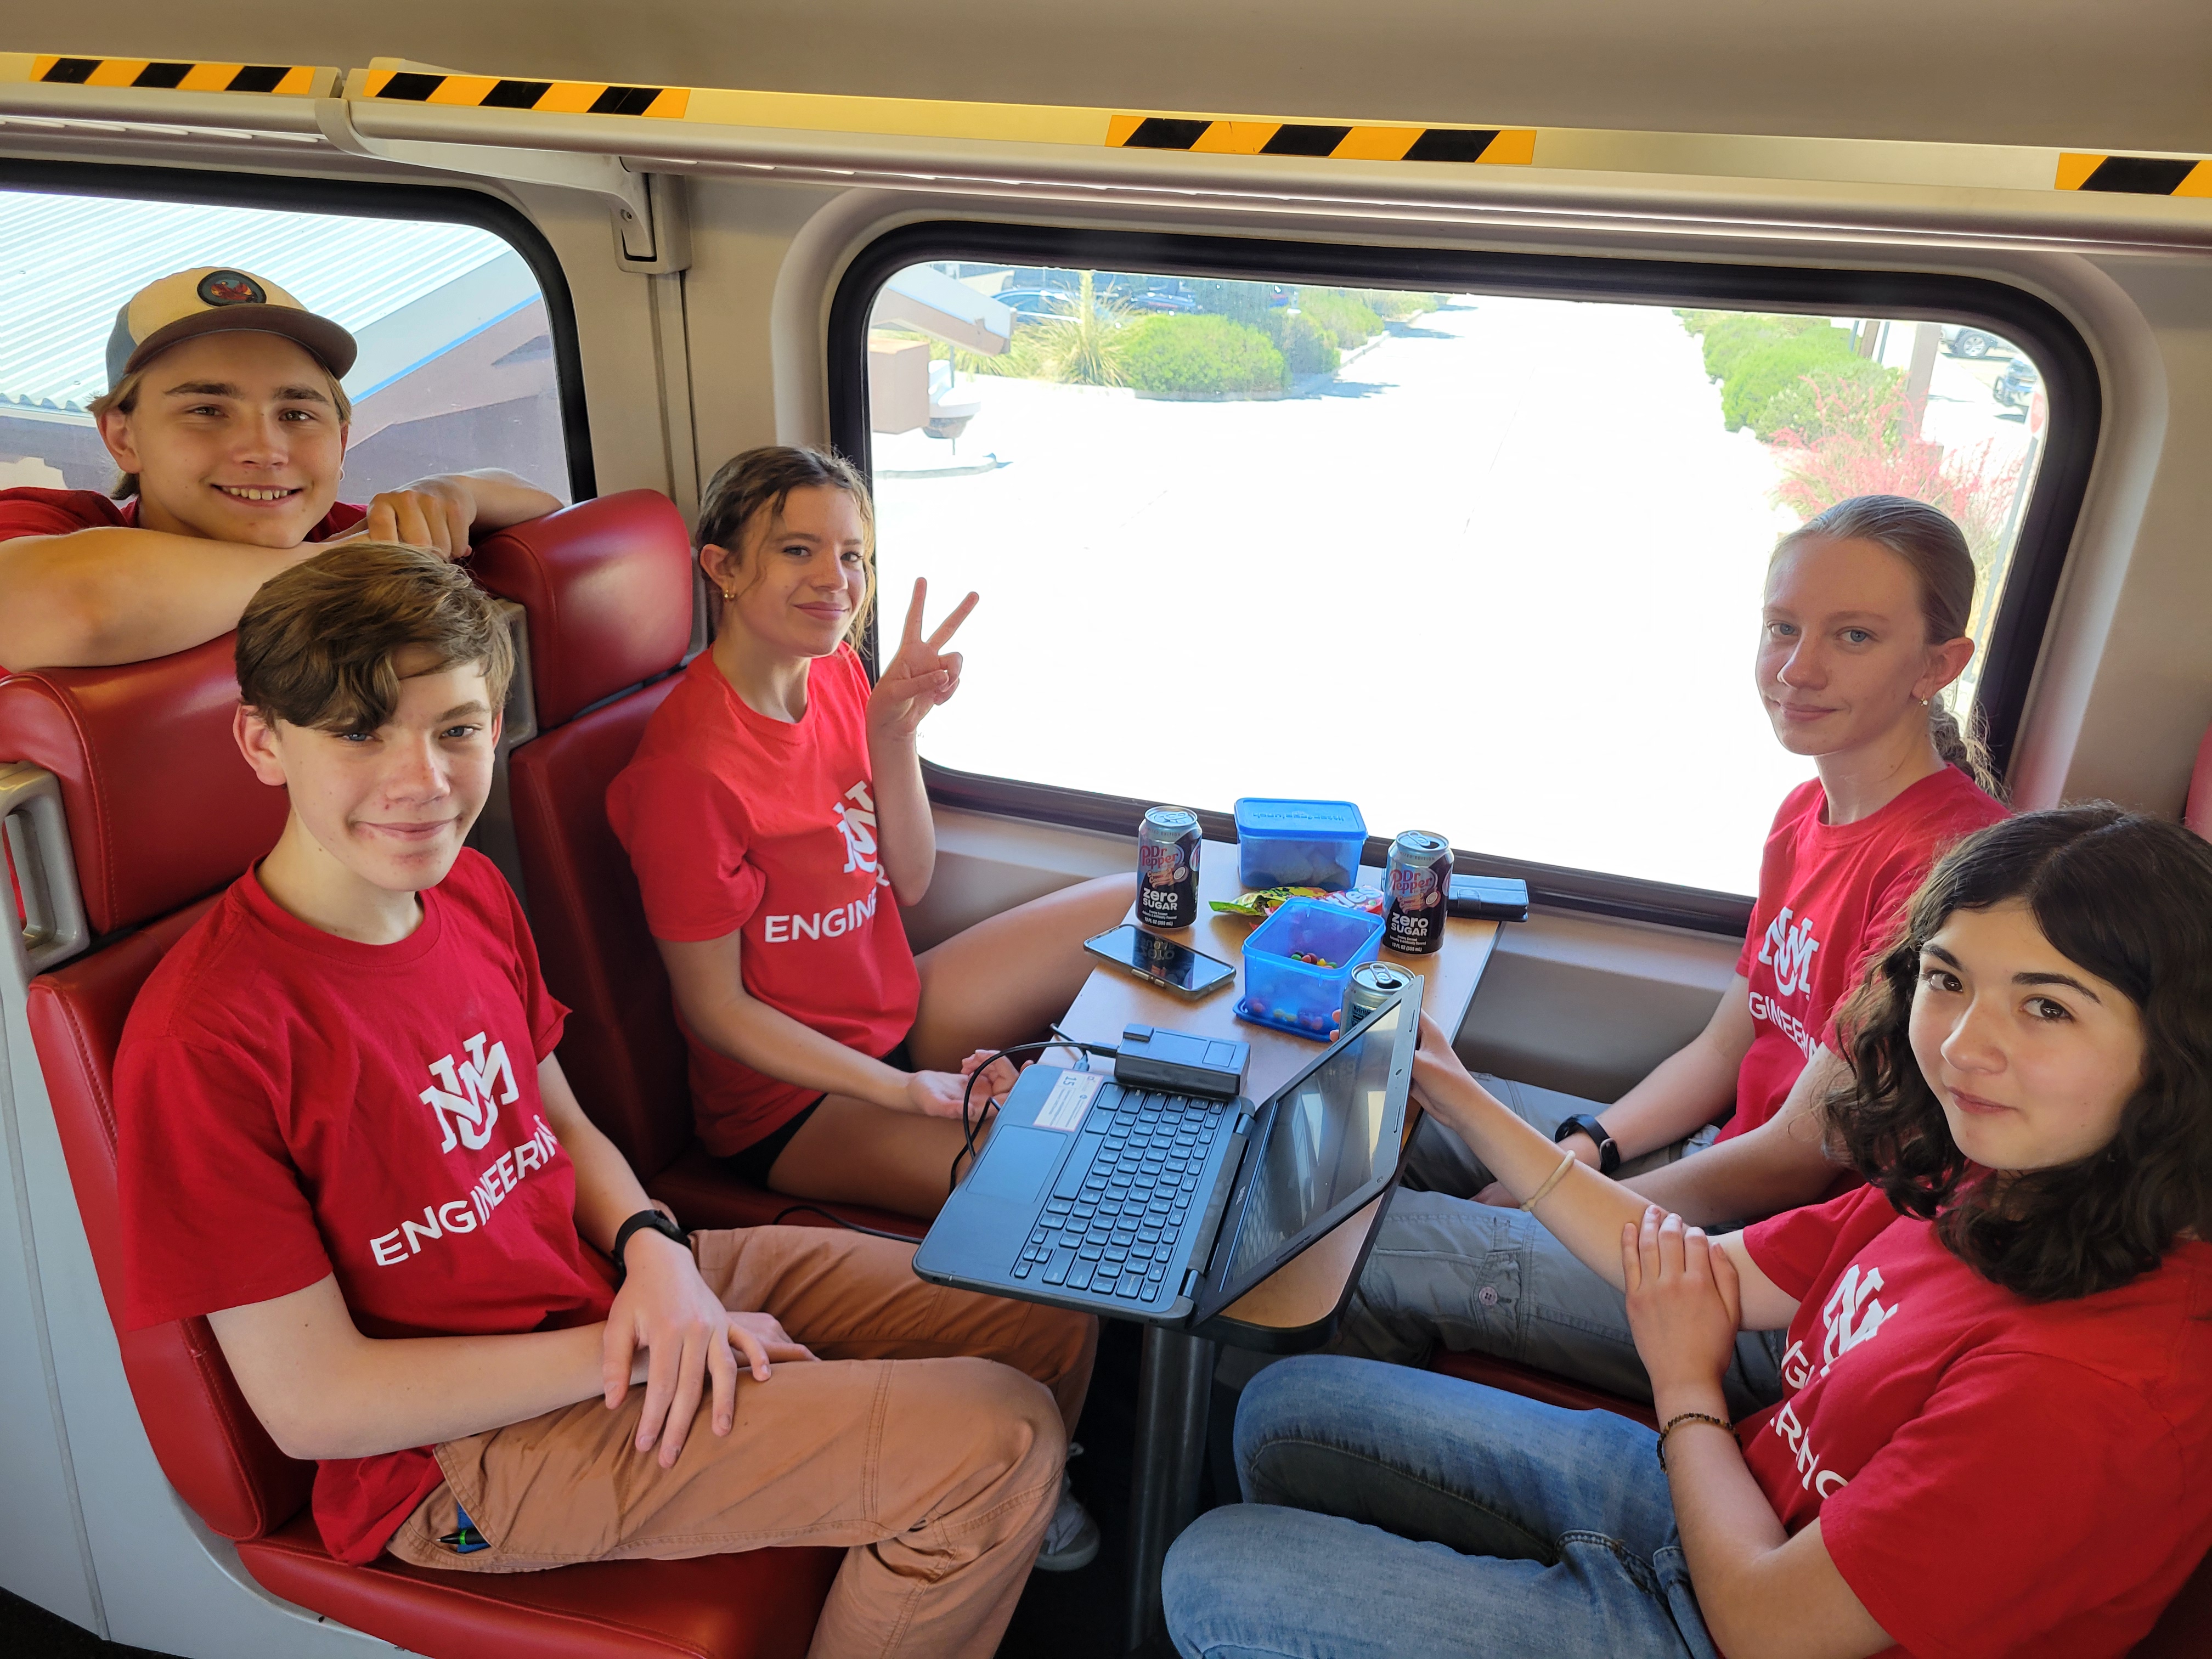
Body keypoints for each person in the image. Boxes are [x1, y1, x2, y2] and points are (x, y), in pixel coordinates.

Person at [112, 542, 1102, 1656]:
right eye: (358, 732)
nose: (424, 781)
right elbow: (315, 1404)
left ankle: (979, 1544)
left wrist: (656, 1253)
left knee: (1041, 1298)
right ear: (261, 741)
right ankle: (975, 1514)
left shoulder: (471, 893)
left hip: (600, 1289)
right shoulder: (208, 1034)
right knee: (998, 1438)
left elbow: (562, 1124)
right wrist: (638, 1347)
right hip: (456, 1456)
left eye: (457, 729)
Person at [1166, 806, 2212, 1659]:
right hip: (1738, 1505)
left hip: (1741, 1612)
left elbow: (1763, 1624)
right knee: (1285, 1410)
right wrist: (1455, 1090)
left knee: (1212, 1570)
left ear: (2173, 1051)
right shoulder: (1997, 1176)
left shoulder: (2088, 1396)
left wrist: (1687, 1384)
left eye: (2048, 1009)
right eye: (1947, 979)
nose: (1964, 1045)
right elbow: (1697, 1269)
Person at [1339, 495, 2008, 1414]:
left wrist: (1568, 1196)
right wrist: (1591, 1143)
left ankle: (1336, 1434)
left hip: (1774, 1267)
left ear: (1938, 664)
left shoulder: (1941, 869)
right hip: (1721, 1164)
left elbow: (1799, 1155)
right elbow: (1724, 1049)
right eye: (1782, 627)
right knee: (1384, 1128)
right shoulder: (1801, 816)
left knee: (1357, 1249)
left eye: (1852, 636)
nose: (1797, 667)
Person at [607, 444, 1132, 1222]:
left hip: (893, 1012)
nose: (836, 580)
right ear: (722, 567)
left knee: (1135, 902)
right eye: (798, 551)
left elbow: (910, 881)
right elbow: (718, 1010)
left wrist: (894, 733)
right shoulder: (689, 773)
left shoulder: (838, 674)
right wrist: (908, 1092)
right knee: (1058, 1191)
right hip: (793, 1100)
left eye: (853, 555)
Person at [0, 264, 560, 672]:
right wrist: (341, 565)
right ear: (123, 438)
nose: (265, 449)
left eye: (296, 412)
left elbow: (544, 514)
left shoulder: (344, 531)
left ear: (341, 444)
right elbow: (70, 604)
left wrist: (448, 492)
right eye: (206, 411)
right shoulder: (53, 527)